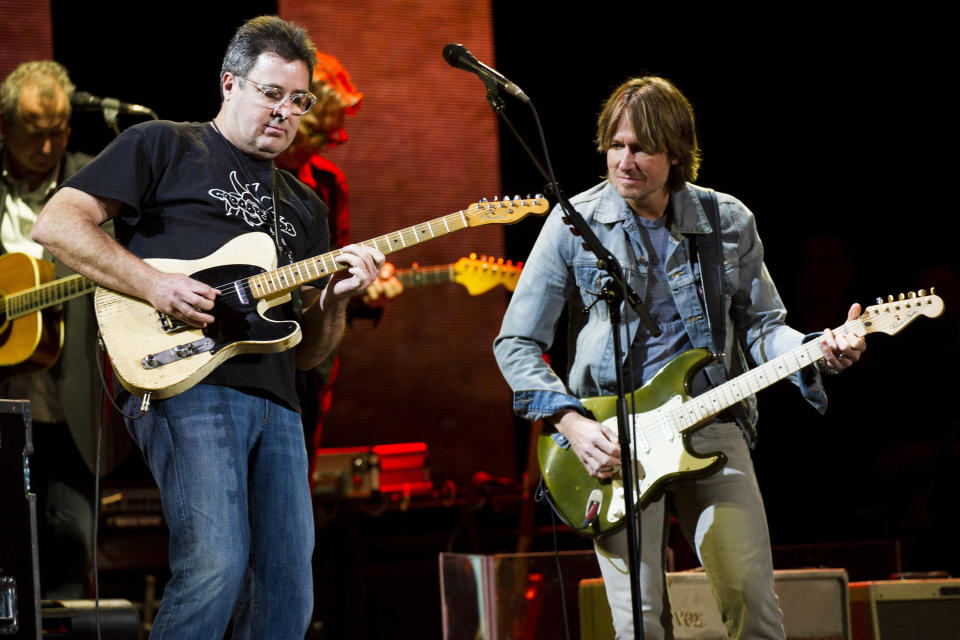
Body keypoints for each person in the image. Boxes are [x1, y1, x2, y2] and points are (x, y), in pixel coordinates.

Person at [31, 16, 384, 639]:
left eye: (297, 101)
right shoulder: (164, 145)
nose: (284, 112)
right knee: (215, 567)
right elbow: (59, 223)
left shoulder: (306, 206)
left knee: (287, 594)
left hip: (277, 401)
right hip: (184, 377)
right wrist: (154, 284)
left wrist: (336, 304)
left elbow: (307, 356)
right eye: (270, 93)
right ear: (229, 83)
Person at [493, 76, 866, 639]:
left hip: (712, 427)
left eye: (641, 147)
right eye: (616, 145)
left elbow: (764, 328)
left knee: (753, 605)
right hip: (611, 441)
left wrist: (820, 348)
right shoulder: (575, 222)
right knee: (638, 624)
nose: (625, 161)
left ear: (675, 152)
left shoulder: (727, 221)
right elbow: (515, 342)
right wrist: (571, 421)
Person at [0, 59, 128, 598]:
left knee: (72, 562)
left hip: (71, 412)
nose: (48, 148)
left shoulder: (97, 187)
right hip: (3, 412)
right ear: (5, 127)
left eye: (58, 134)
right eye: (35, 133)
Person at [274, 50, 401, 450]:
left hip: (305, 363)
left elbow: (329, 280)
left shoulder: (328, 186)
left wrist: (364, 289)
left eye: (327, 139)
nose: (316, 147)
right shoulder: (238, 168)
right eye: (315, 132)